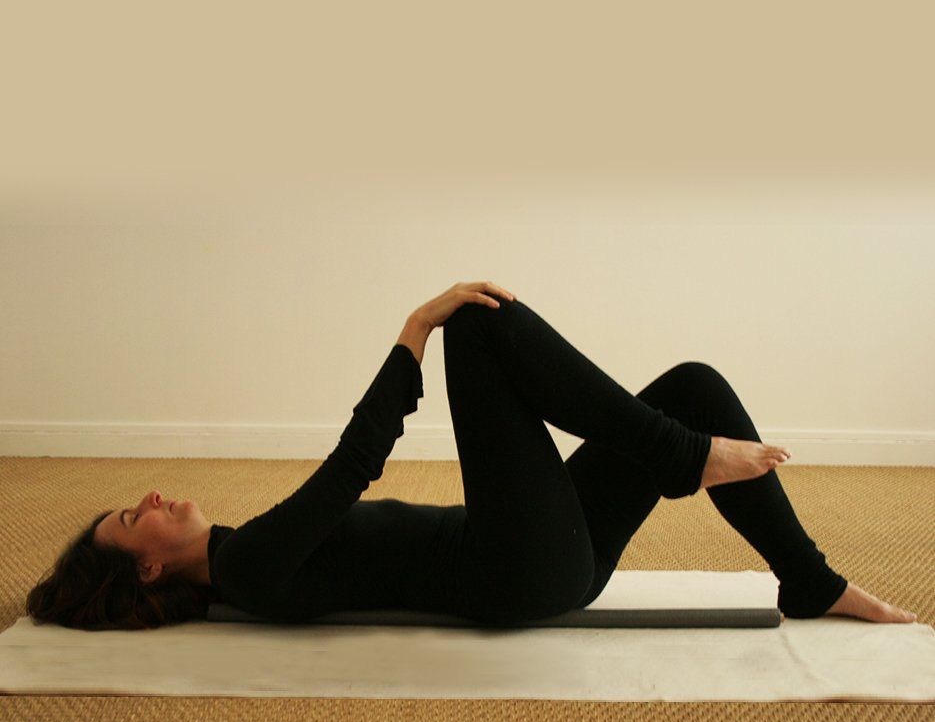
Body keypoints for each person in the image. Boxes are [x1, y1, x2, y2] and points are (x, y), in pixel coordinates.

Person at [27, 281, 917, 630]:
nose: (151, 497)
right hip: (513, 570)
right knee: (479, 327)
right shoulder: (246, 566)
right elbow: (354, 464)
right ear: (148, 568)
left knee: (691, 383)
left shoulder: (248, 555)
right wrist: (414, 329)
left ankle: (807, 579)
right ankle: (682, 457)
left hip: (541, 559)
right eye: (132, 517)